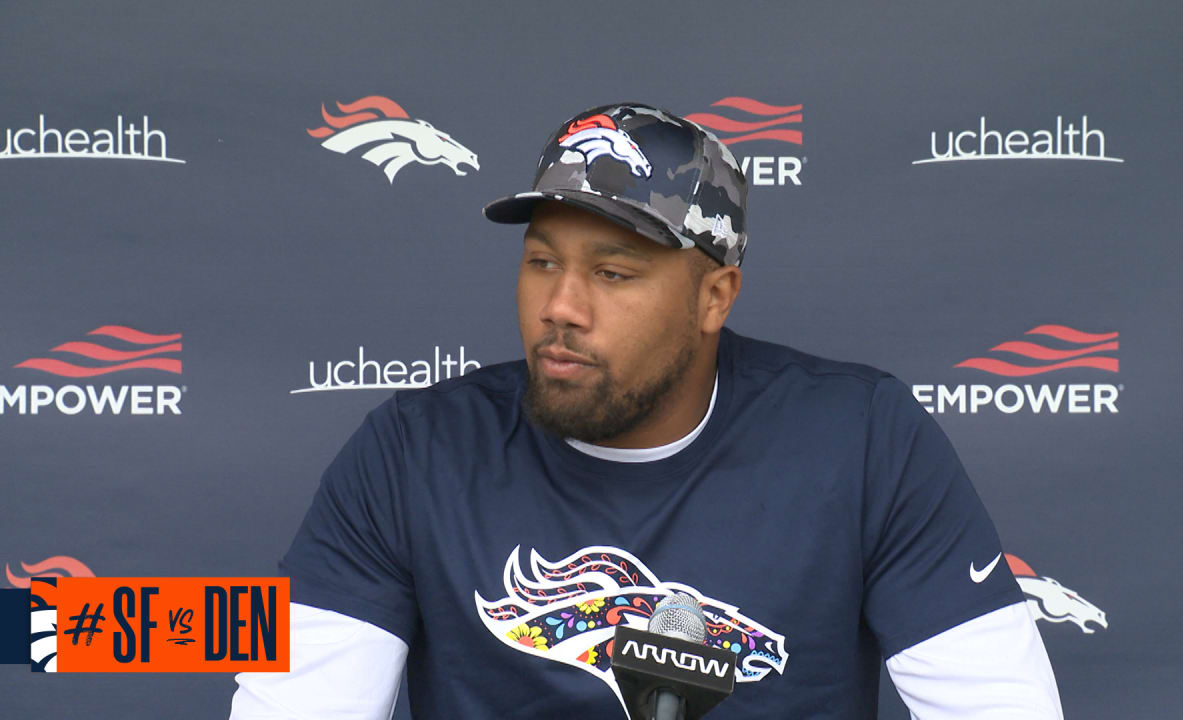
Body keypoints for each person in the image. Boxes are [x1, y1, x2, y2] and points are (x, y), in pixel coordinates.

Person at [230, 103, 1064, 719]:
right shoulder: (412, 451)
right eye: (541, 262)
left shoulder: (865, 439)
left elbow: (999, 705)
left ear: (714, 297)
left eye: (613, 273)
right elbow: (299, 701)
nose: (561, 306)